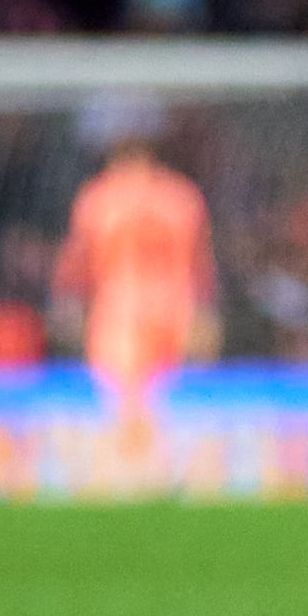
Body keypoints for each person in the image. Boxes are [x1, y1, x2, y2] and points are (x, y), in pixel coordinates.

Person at [54, 126, 212, 451]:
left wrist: (66, 302)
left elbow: (78, 261)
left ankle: (134, 474)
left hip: (120, 310)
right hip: (173, 308)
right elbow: (200, 265)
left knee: (123, 400)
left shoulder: (99, 197)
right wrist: (203, 314)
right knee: (160, 400)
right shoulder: (180, 196)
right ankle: (160, 470)